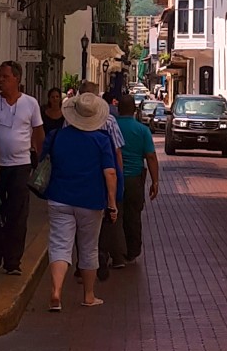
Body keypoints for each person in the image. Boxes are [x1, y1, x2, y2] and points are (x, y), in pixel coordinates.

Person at [43, 92, 117, 311]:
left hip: (58, 196)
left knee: (59, 245)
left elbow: (44, 160)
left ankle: (56, 291)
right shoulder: (101, 140)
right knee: (88, 248)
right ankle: (89, 295)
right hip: (90, 200)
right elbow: (110, 173)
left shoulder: (56, 136)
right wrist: (112, 202)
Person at [0, 60, 44, 275]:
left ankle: (13, 262)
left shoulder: (30, 103)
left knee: (18, 213)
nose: (0, 81)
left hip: (20, 165)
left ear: (17, 79)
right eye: (0, 76)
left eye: (5, 77)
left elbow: (38, 133)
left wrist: (43, 161)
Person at [76, 81, 126, 275]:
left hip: (80, 175)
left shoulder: (70, 121)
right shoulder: (110, 121)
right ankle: (100, 255)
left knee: (81, 221)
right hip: (103, 177)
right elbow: (117, 153)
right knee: (103, 217)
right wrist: (118, 178)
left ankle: (84, 263)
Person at [116, 94, 159, 263]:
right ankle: (132, 251)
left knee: (114, 215)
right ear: (135, 110)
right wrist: (155, 181)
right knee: (133, 215)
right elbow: (151, 157)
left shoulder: (112, 127)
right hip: (134, 178)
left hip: (114, 178)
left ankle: (116, 250)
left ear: (118, 110)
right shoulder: (142, 130)